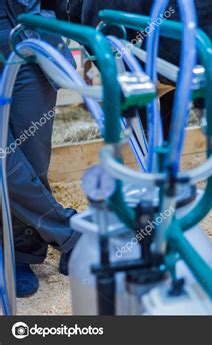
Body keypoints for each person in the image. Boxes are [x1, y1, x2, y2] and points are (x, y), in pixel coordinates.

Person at [0, 0, 79, 297]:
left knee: (33, 161)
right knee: (5, 165)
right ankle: (72, 234)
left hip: (28, 39)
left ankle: (21, 252)